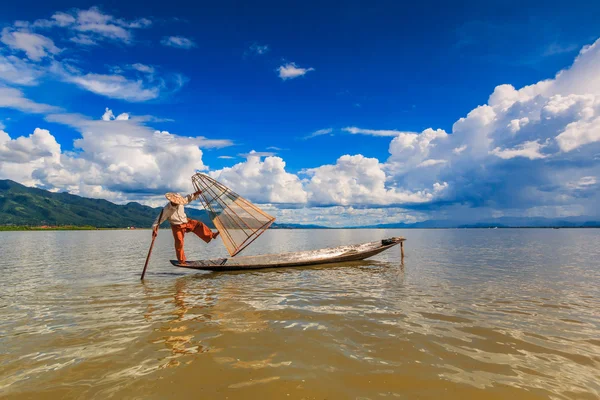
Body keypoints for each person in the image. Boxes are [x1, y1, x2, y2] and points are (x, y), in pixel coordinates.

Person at [152, 191, 219, 264]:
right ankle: (181, 261)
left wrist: (196, 193)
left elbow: (188, 198)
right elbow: (158, 220)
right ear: (172, 201)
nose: (177, 203)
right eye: (176, 202)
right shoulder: (166, 209)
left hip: (186, 221)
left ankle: (212, 235)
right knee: (179, 243)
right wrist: (155, 229)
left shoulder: (181, 202)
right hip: (176, 226)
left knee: (199, 224)